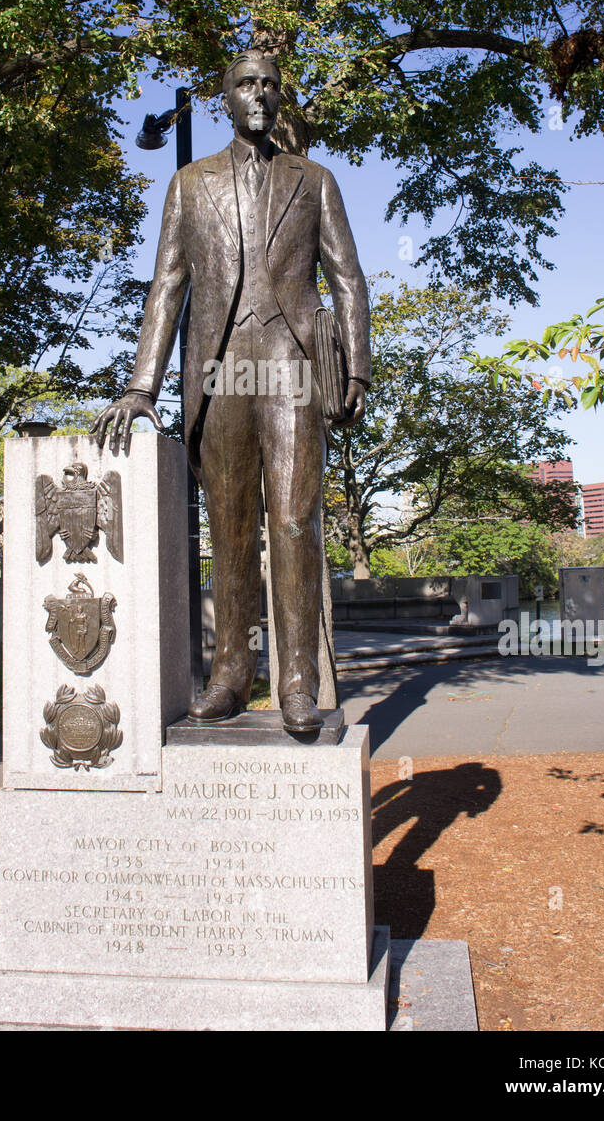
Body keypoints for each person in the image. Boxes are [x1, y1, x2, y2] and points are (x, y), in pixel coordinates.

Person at [91, 50, 370, 732]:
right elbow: (168, 284)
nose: (259, 94)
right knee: (230, 528)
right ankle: (229, 676)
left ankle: (297, 683)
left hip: (292, 362)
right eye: (246, 84)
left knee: (296, 518)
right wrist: (140, 386)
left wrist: (357, 367)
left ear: (280, 99)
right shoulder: (189, 183)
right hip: (217, 368)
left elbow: (349, 280)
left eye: (270, 85)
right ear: (225, 98)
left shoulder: (316, 180)